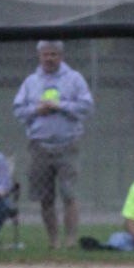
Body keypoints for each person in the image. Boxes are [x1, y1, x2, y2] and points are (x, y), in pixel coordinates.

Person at [12, 39, 94, 248]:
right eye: (46, 54)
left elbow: (86, 106)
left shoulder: (74, 79)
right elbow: (18, 110)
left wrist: (60, 106)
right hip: (39, 147)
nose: (49, 58)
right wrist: (36, 110)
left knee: (69, 194)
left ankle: (71, 239)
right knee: (45, 198)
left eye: (53, 54)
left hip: (68, 145)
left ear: (61, 56)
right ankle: (53, 241)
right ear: (40, 56)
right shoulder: (31, 82)